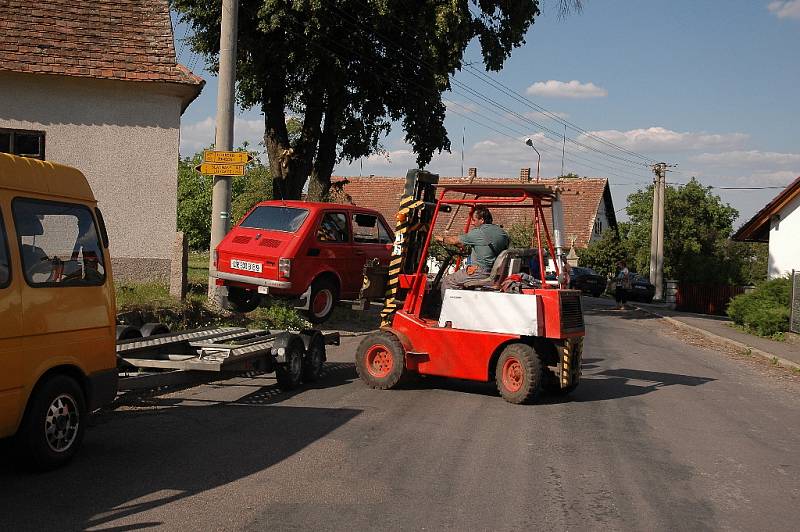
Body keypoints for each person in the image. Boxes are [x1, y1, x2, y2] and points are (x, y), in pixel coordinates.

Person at [435, 206, 509, 297]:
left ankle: (450, 309)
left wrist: (441, 239)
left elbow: (454, 240)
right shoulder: (502, 233)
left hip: (480, 272)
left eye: (474, 220)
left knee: (448, 281)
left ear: (481, 220)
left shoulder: (478, 232)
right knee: (462, 281)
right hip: (496, 272)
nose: (472, 223)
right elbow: (463, 244)